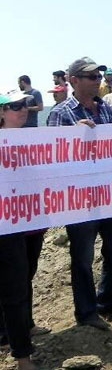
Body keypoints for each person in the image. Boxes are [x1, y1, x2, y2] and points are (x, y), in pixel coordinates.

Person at [47, 57, 112, 330]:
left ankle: (108, 300)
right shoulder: (61, 114)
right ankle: (86, 312)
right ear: (73, 81)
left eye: (98, 76)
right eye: (91, 76)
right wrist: (75, 136)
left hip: (110, 194)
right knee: (82, 257)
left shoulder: (106, 109)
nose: (97, 80)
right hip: (80, 199)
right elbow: (52, 156)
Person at [0, 91, 40, 370]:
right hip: (6, 227)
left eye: (25, 105)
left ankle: (20, 341)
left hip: (29, 223)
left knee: (22, 282)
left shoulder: (36, 139)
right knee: (13, 289)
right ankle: (21, 355)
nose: (22, 110)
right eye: (15, 106)